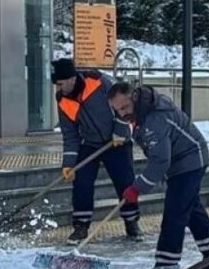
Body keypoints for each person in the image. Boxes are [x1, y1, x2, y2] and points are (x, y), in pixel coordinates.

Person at [107, 82, 209, 269]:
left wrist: (137, 188)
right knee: (191, 210)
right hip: (179, 163)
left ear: (134, 97)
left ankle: (166, 264)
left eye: (125, 107)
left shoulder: (155, 117)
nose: (122, 113)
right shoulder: (142, 110)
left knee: (175, 212)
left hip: (190, 160)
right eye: (117, 110)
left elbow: (160, 160)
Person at [53, 58, 143, 243]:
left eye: (61, 83)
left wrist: (120, 130)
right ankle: (80, 226)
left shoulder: (98, 81)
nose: (59, 88)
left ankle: (132, 222)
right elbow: (70, 135)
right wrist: (69, 164)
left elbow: (123, 104)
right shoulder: (62, 100)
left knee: (125, 182)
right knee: (82, 183)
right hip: (90, 143)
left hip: (116, 142)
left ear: (71, 78)